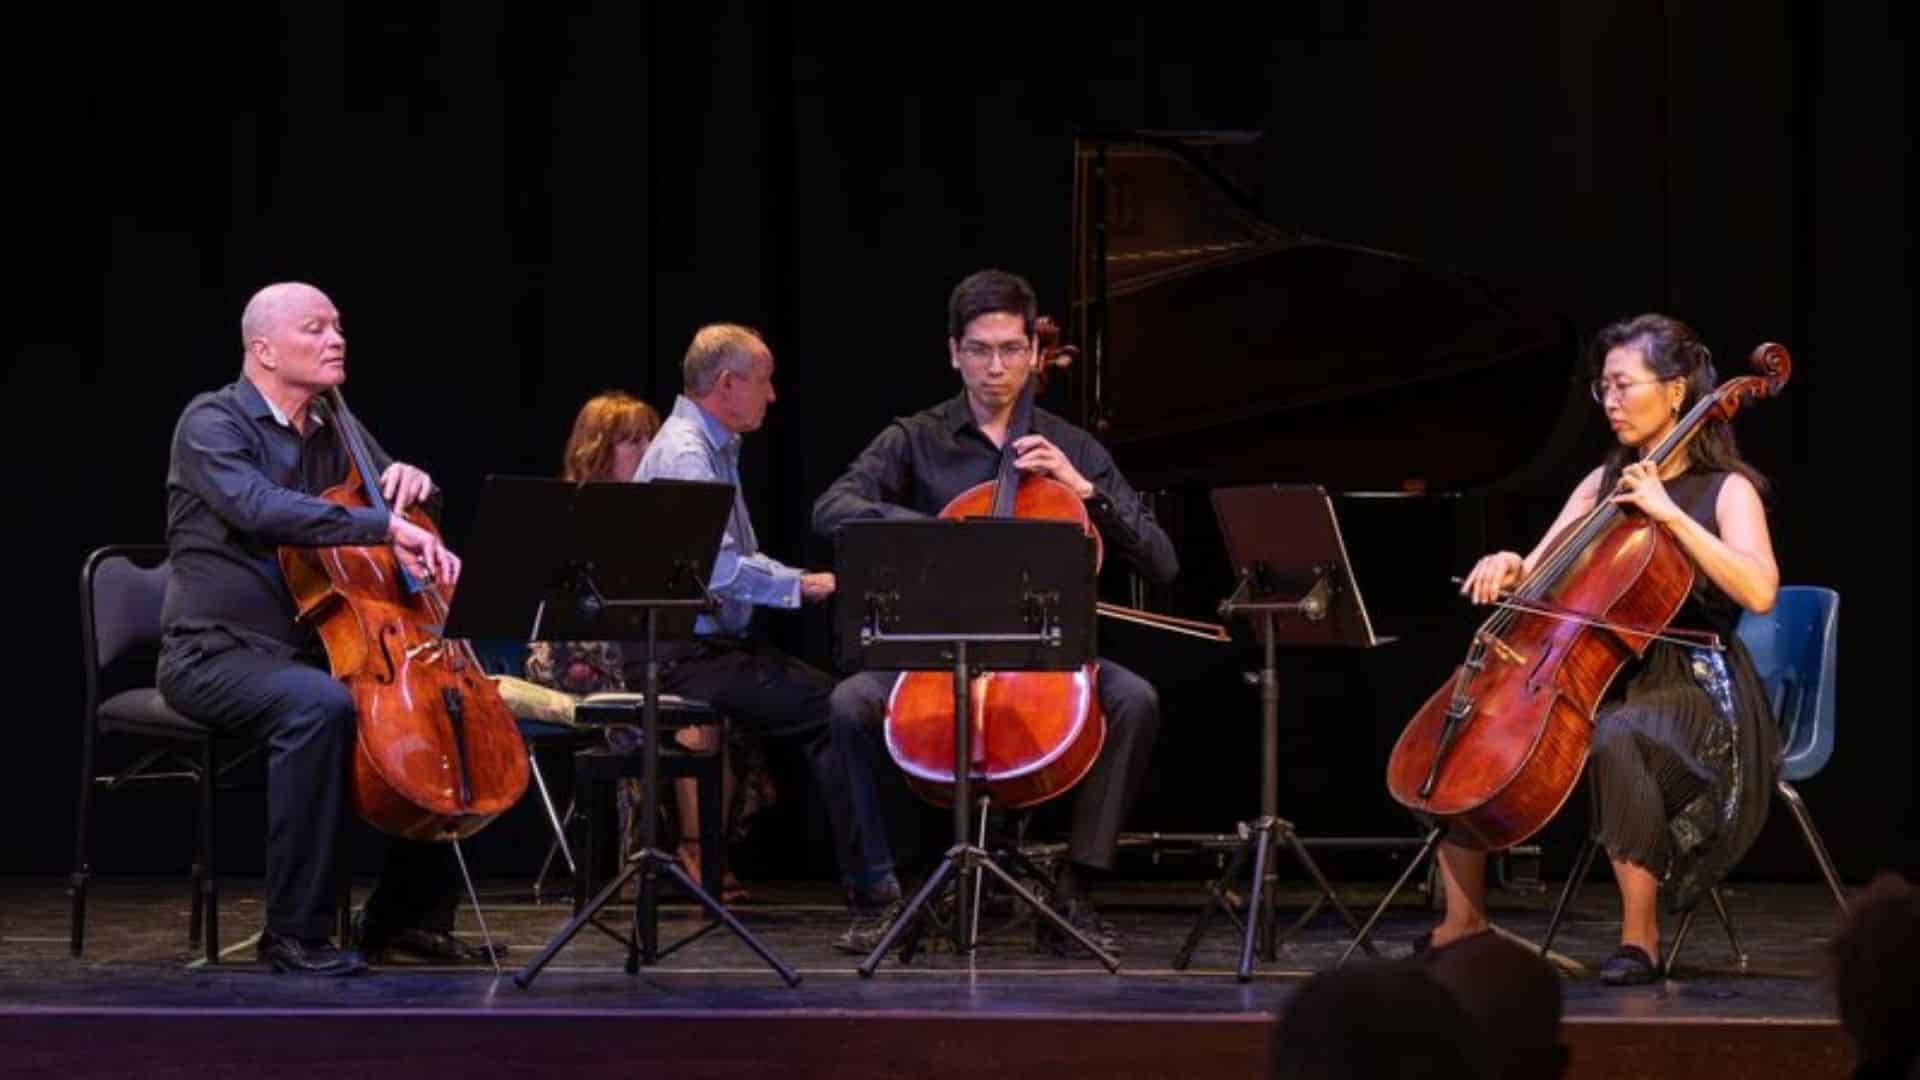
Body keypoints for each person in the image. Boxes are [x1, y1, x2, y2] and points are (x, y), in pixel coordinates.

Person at [810, 268, 1177, 955]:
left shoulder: (1073, 448)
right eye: (980, 350)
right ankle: (890, 893)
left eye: (1011, 349)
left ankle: (1075, 892)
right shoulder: (914, 439)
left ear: (1036, 354)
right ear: (954, 352)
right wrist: (938, 530)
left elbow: (1162, 562)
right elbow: (831, 508)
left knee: (1135, 700)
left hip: (1042, 655)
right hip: (931, 649)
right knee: (850, 704)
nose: (996, 367)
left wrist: (1083, 491)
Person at [1437, 312, 1781, 985]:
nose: (1612, 402)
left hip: (1694, 682)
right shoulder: (1601, 486)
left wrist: (1670, 513)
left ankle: (1639, 940)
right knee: (1472, 708)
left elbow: (1760, 591)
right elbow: (1538, 574)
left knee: (1621, 735)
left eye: (1625, 385)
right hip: (1604, 667)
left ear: (1677, 392)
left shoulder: (1727, 490)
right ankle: (1462, 920)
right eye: (1604, 389)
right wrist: (1510, 561)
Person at [157, 281, 489, 975]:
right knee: (319, 708)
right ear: (264, 350)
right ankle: (294, 934)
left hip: (316, 648)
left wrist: (410, 483)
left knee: (442, 712)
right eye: (316, 329)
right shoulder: (211, 423)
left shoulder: (335, 423)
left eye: (338, 326)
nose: (336, 339)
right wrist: (382, 522)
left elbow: (390, 504)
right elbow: (263, 509)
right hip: (215, 654)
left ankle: (401, 920)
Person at [519, 389, 768, 901]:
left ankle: (700, 850)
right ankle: (699, 854)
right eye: (629, 439)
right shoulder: (573, 510)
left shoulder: (666, 512)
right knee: (692, 708)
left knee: (710, 700)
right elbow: (563, 609)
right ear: (596, 448)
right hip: (579, 654)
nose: (644, 447)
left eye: (648, 436)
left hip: (648, 650)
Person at [632, 324, 840, 891]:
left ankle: (871, 876)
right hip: (680, 652)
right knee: (839, 709)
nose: (772, 395)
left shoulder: (713, 446)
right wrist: (804, 586)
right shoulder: (685, 454)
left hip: (708, 646)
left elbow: (735, 554)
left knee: (832, 698)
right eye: (765, 381)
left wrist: (797, 579)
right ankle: (874, 882)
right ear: (727, 384)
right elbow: (715, 569)